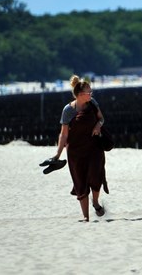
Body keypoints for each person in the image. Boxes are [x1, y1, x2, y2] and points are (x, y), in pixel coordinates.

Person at [50, 74, 109, 222]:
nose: (91, 94)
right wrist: (57, 155)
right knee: (80, 181)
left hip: (94, 147)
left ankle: (95, 202)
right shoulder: (68, 110)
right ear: (80, 94)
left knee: (96, 175)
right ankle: (85, 216)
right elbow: (63, 135)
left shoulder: (92, 103)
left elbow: (101, 118)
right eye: (89, 92)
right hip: (75, 151)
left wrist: (98, 125)